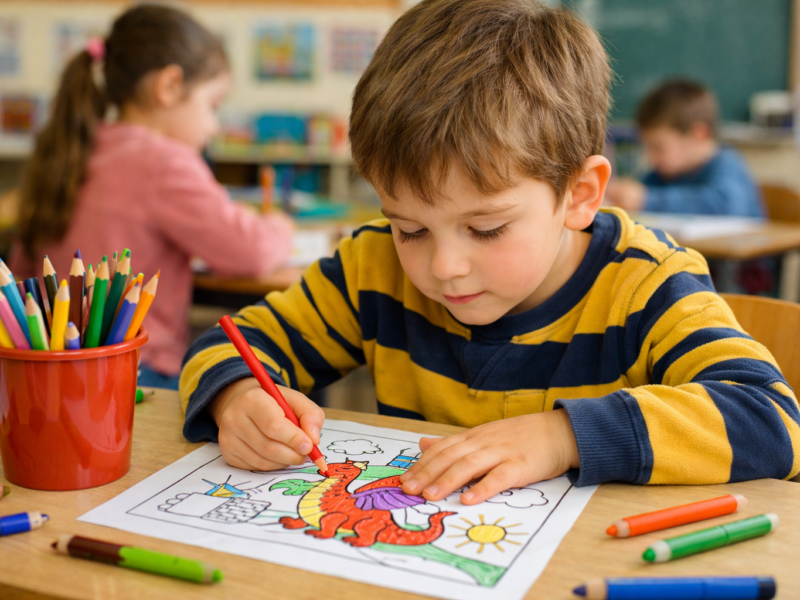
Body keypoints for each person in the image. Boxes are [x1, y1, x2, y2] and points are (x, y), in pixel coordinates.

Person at [181, 0, 800, 504]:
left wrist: (564, 437)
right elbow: (227, 344)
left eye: (486, 229)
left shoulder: (645, 285)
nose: (442, 266)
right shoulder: (372, 267)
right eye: (411, 229)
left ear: (579, 195)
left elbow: (770, 419)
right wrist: (238, 399)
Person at [9, 4, 293, 390]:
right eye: (213, 105)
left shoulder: (68, 147)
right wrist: (280, 224)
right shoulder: (166, 161)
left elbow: (21, 270)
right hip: (137, 373)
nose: (213, 126)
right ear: (170, 86)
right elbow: (250, 251)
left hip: (40, 373)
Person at [605, 80, 763, 216]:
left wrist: (645, 200)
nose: (650, 156)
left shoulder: (727, 165)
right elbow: (642, 194)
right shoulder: (662, 174)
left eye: (658, 147)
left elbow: (726, 206)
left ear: (698, 136)